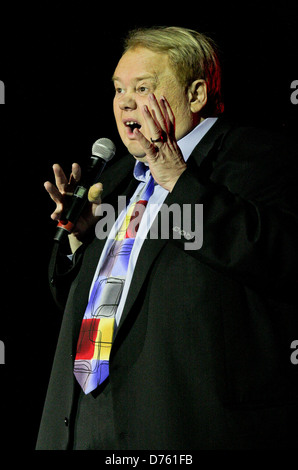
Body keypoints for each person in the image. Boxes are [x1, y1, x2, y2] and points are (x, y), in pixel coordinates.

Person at [36, 26, 298, 450]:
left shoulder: (259, 158)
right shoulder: (118, 177)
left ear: (195, 95)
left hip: (182, 426)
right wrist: (78, 241)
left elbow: (282, 260)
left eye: (142, 87)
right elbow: (83, 307)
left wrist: (180, 181)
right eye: (119, 88)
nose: (124, 101)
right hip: (78, 426)